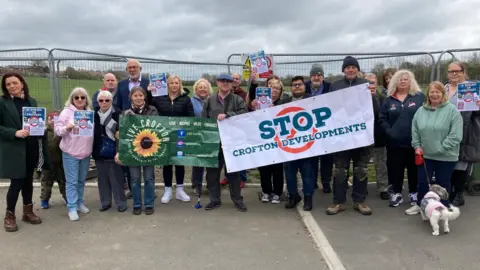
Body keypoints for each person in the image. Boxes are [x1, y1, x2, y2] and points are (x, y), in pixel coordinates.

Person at [326, 56, 378, 216]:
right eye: (347, 67)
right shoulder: (335, 85)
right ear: (343, 70)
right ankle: (338, 202)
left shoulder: (366, 85)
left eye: (353, 67)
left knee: (360, 169)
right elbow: (328, 108)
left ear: (357, 69)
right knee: (340, 171)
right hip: (341, 137)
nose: (350, 69)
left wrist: (374, 97)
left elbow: (375, 110)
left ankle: (359, 201)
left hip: (362, 136)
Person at [405, 81, 463, 215]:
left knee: (442, 184)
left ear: (443, 94)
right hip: (425, 155)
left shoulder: (452, 111)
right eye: (432, 92)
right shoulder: (420, 111)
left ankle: (442, 208)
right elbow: (415, 131)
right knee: (423, 182)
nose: (434, 94)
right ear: (428, 94)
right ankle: (421, 205)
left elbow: (456, 135)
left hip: (446, 156)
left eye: (438, 92)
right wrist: (417, 146)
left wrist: (441, 149)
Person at [0, 72, 45, 232]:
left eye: (14, 83)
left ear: (22, 83)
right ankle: (9, 215)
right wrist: (14, 132)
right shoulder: (2, 102)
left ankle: (28, 212)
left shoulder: (31, 101)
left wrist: (43, 126)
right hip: (14, 149)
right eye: (8, 84)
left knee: (28, 181)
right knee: (16, 183)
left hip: (31, 147)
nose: (12, 86)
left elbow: (36, 123)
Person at [202, 73, 248, 212]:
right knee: (212, 174)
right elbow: (204, 121)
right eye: (223, 81)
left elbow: (244, 113)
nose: (225, 83)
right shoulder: (209, 100)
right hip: (214, 143)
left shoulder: (237, 100)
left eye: (228, 81)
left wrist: (228, 115)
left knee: (234, 174)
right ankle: (214, 200)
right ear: (217, 82)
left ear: (232, 83)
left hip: (232, 143)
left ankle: (237, 200)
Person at [379, 69, 424, 208]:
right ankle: (396, 193)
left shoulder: (419, 97)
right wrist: (389, 132)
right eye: (400, 79)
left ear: (411, 81)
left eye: (406, 78)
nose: (403, 81)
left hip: (414, 142)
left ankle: (414, 193)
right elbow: (382, 119)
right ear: (394, 81)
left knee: (414, 169)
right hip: (394, 143)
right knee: (395, 168)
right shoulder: (388, 100)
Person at [151, 75, 194, 204]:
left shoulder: (185, 99)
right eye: (171, 83)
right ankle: (168, 190)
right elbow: (150, 111)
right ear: (167, 85)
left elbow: (191, 117)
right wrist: (149, 91)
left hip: (180, 135)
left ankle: (180, 189)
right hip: (163, 135)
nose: (174, 85)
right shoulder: (158, 98)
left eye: (176, 83)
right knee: (167, 162)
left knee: (180, 161)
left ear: (180, 84)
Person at [116, 86, 158, 215]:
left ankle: (149, 204)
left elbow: (157, 128)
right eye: (135, 96)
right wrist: (120, 151)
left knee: (149, 178)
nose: (138, 98)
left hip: (149, 149)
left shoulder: (152, 111)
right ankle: (137, 204)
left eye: (140, 95)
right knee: (134, 179)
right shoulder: (125, 113)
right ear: (131, 98)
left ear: (144, 96)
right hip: (132, 151)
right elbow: (121, 136)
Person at [55, 87, 94, 221]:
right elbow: (57, 130)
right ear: (72, 99)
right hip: (70, 152)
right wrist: (67, 127)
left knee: (81, 180)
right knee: (71, 182)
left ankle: (80, 202)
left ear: (86, 99)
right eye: (76, 97)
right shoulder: (66, 113)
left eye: (82, 97)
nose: (79, 100)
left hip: (85, 153)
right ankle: (71, 207)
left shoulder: (90, 113)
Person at [444, 61, 480, 206]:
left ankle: (458, 193)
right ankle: (449, 190)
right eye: (450, 71)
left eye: (456, 71)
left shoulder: (471, 88)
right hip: (445, 130)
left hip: (465, 129)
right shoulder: (444, 88)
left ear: (463, 72)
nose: (453, 74)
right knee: (447, 162)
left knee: (461, 162)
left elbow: (476, 112)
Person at [280, 76, 318, 211]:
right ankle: (293, 196)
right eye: (294, 85)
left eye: (299, 85)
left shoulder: (313, 101)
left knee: (308, 174)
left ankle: (308, 198)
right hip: (289, 145)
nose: (297, 87)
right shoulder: (283, 102)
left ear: (304, 86)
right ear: (291, 88)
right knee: (290, 174)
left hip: (308, 146)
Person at [115, 59, 150, 200]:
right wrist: (123, 120)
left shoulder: (148, 83)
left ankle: (149, 192)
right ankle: (132, 189)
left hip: (147, 126)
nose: (132, 69)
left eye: (134, 67)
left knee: (147, 158)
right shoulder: (122, 84)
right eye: (129, 67)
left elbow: (153, 103)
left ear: (140, 68)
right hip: (128, 124)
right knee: (132, 158)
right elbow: (117, 104)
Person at [251, 79, 285, 204]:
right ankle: (266, 191)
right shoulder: (259, 103)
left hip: (278, 141)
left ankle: (277, 192)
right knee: (264, 168)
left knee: (277, 168)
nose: (274, 90)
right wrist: (253, 107)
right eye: (272, 87)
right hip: (262, 140)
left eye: (277, 88)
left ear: (281, 91)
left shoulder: (283, 102)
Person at [92, 91, 127, 212]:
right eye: (101, 100)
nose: (104, 103)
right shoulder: (93, 115)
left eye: (107, 100)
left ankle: (120, 202)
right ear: (98, 102)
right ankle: (105, 202)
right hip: (99, 150)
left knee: (116, 178)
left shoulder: (118, 114)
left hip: (114, 150)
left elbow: (124, 132)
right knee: (102, 179)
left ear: (111, 101)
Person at [305, 63, 334, 193]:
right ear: (310, 77)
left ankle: (326, 182)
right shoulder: (304, 87)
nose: (316, 77)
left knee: (327, 157)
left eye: (319, 75)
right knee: (312, 157)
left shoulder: (330, 87)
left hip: (326, 127)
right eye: (314, 75)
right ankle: (313, 181)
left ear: (323, 76)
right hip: (309, 127)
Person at [365, 73, 389, 200]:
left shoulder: (383, 98)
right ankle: (362, 187)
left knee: (381, 165)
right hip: (363, 139)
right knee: (362, 165)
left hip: (379, 137)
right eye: (367, 83)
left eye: (373, 83)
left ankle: (383, 188)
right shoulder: (357, 99)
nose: (370, 85)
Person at [40, 111, 67, 209]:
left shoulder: (63, 132)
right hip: (48, 163)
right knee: (46, 184)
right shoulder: (44, 132)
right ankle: (44, 200)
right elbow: (50, 146)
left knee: (63, 182)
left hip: (61, 162)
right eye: (50, 119)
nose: (52, 121)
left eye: (55, 119)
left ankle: (67, 198)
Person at [190, 78, 213, 192]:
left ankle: (211, 184)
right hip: (197, 135)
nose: (203, 89)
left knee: (210, 161)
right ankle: (196, 184)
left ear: (208, 89)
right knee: (198, 162)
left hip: (211, 135)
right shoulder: (191, 101)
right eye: (200, 87)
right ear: (196, 89)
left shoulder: (213, 100)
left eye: (205, 87)